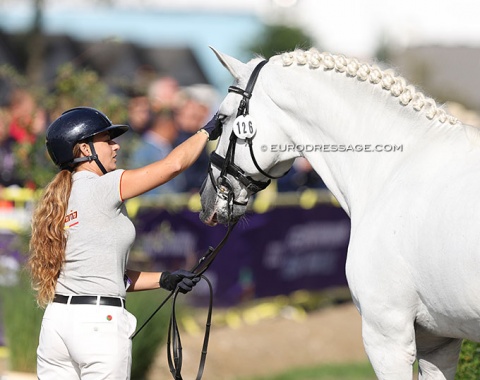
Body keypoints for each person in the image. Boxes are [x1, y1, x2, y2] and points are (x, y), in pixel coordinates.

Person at [28, 106, 221, 379]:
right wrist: (205, 132)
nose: (115, 146)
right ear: (84, 150)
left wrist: (164, 278)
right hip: (98, 325)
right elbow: (172, 166)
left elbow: (104, 275)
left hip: (57, 323)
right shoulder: (103, 186)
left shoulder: (59, 198)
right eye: (107, 141)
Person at [129, 109, 186, 196]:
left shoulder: (164, 148)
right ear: (167, 125)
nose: (177, 133)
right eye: (176, 127)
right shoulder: (143, 150)